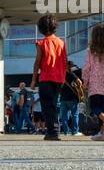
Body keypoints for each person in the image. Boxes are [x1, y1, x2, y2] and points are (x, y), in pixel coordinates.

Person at [32, 14, 67, 142]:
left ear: (41, 28)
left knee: (46, 106)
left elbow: (37, 62)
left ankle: (53, 131)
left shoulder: (41, 43)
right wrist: (63, 77)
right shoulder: (61, 43)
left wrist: (33, 80)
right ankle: (54, 130)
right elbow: (64, 61)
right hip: (58, 79)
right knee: (53, 104)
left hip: (46, 78)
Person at [83, 23, 104, 141]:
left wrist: (85, 82)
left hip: (94, 85)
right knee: (102, 108)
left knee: (94, 108)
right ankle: (102, 133)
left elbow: (87, 68)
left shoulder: (90, 51)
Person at [59, 64, 83, 136]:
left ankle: (66, 132)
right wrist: (77, 87)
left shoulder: (60, 75)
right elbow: (80, 82)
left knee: (64, 116)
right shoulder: (71, 74)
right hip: (72, 98)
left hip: (63, 99)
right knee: (75, 114)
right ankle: (75, 131)